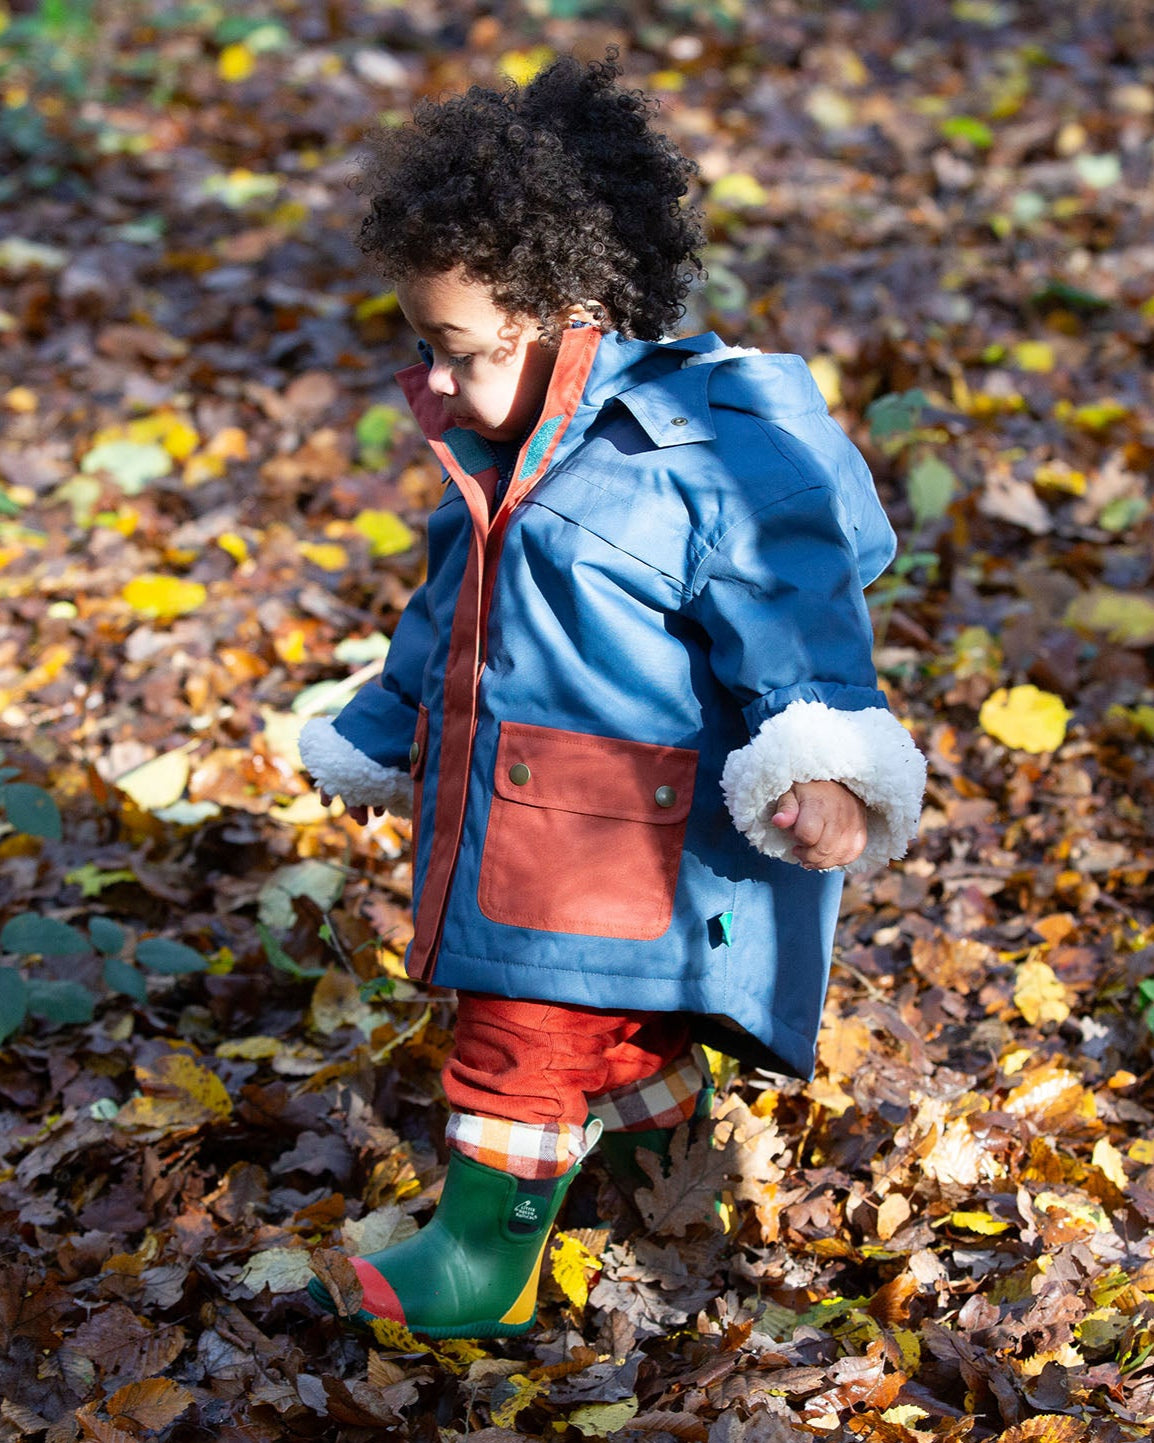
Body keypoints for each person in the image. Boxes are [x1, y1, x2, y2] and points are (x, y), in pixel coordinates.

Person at [299, 52, 925, 1340]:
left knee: (519, 1038)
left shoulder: (698, 459)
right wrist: (379, 733)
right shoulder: (500, 461)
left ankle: (481, 1267)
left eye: (457, 350)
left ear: (567, 309)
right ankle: (665, 1194)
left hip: (608, 843)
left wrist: (821, 758)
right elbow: (447, 622)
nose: (435, 382)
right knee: (619, 1032)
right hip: (525, 821)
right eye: (423, 347)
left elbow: (792, 602)